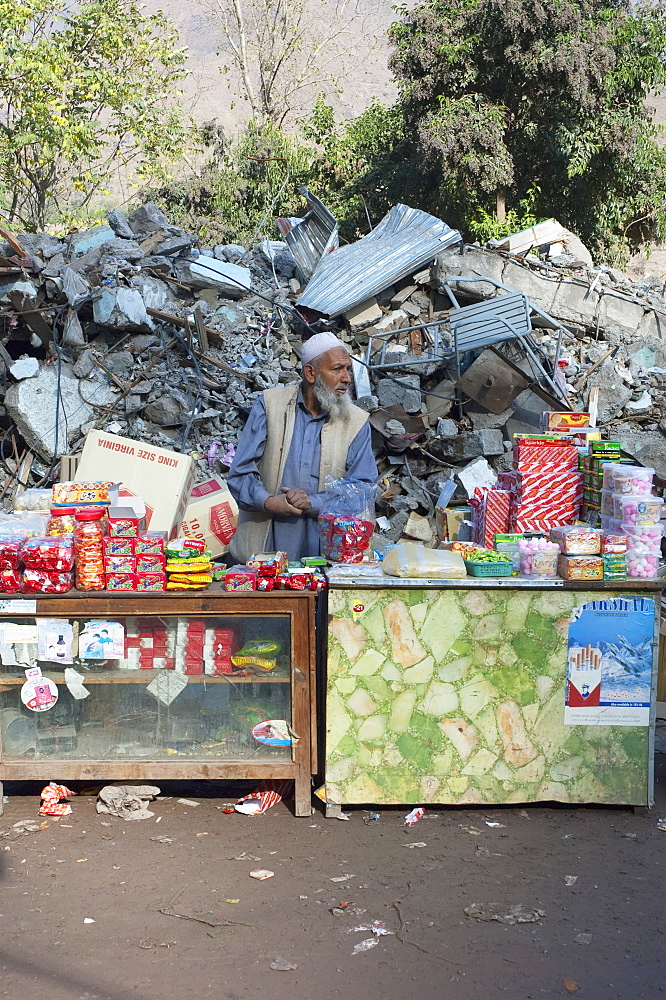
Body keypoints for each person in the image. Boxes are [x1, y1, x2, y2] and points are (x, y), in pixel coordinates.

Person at [227, 332, 378, 562]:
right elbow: (240, 473)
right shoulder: (270, 405)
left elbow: (363, 487)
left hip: (325, 551)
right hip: (264, 549)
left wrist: (313, 503)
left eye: (348, 369)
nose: (347, 378)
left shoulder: (356, 421)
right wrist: (268, 502)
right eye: (337, 369)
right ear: (311, 373)